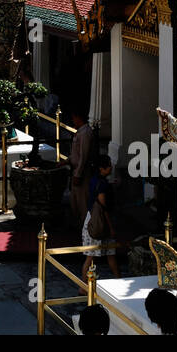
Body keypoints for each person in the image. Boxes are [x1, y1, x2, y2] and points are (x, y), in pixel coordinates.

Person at [82, 153, 122, 283]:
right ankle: (83, 286)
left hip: (92, 218)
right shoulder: (103, 185)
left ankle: (83, 286)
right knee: (95, 256)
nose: (110, 168)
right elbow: (103, 207)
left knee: (97, 255)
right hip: (99, 222)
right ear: (102, 168)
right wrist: (111, 227)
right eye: (108, 166)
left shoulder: (94, 180)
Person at [68, 106, 95, 236]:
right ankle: (79, 225)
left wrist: (78, 174)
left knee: (82, 201)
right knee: (75, 201)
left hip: (82, 172)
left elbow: (83, 156)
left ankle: (86, 228)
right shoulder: (81, 131)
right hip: (76, 169)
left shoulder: (85, 133)